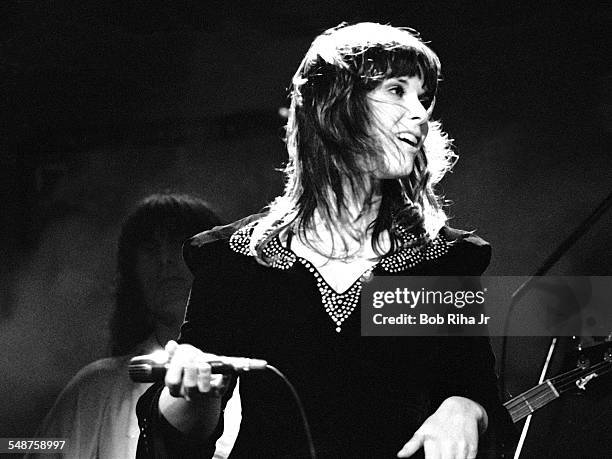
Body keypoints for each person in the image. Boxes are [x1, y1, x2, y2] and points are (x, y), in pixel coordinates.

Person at [136, 23, 517, 458]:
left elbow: (481, 396)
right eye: (397, 90)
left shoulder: (439, 261)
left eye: (424, 98)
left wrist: (464, 408)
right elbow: (174, 445)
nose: (421, 113)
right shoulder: (238, 261)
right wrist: (193, 394)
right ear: (333, 105)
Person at [33, 193, 242, 459]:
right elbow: (27, 447)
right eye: (151, 249)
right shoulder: (95, 388)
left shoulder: (261, 383)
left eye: (180, 244)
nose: (165, 259)